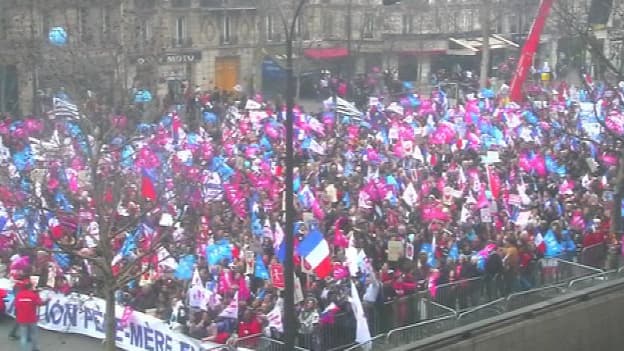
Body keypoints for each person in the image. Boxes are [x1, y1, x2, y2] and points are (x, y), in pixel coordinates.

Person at [14, 281, 46, 351]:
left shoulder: (19, 295)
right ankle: (35, 348)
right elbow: (40, 303)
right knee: (34, 334)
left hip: (22, 319)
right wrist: (47, 300)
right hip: (31, 318)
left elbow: (16, 305)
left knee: (23, 336)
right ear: (30, 287)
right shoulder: (33, 295)